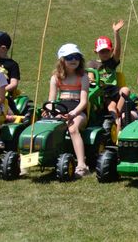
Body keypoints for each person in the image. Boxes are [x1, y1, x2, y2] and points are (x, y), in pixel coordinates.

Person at [48, 43, 90, 177]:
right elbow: (51, 101)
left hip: (78, 111)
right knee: (44, 125)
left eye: (76, 57)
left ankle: (82, 164)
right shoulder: (55, 78)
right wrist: (51, 110)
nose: (73, 60)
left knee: (73, 128)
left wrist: (73, 113)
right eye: (69, 57)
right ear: (62, 60)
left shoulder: (83, 77)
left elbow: (84, 101)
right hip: (61, 109)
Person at [87, 20, 128, 129]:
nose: (105, 54)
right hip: (101, 90)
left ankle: (117, 116)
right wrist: (92, 80)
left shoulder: (111, 62)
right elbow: (90, 76)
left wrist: (116, 33)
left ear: (111, 51)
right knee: (112, 106)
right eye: (102, 51)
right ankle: (117, 124)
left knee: (126, 90)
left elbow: (118, 51)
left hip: (113, 89)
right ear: (96, 52)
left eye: (107, 51)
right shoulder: (92, 63)